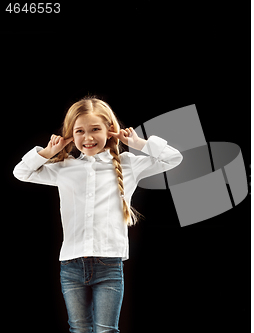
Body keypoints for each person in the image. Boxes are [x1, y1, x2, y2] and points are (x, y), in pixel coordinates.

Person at [13, 96, 183, 332]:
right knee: (79, 328)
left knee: (106, 330)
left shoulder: (128, 165)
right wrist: (49, 151)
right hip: (71, 265)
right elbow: (21, 172)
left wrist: (138, 143)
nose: (88, 137)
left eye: (95, 129)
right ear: (70, 135)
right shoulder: (65, 168)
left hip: (109, 264)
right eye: (80, 131)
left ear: (110, 130)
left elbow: (174, 157)